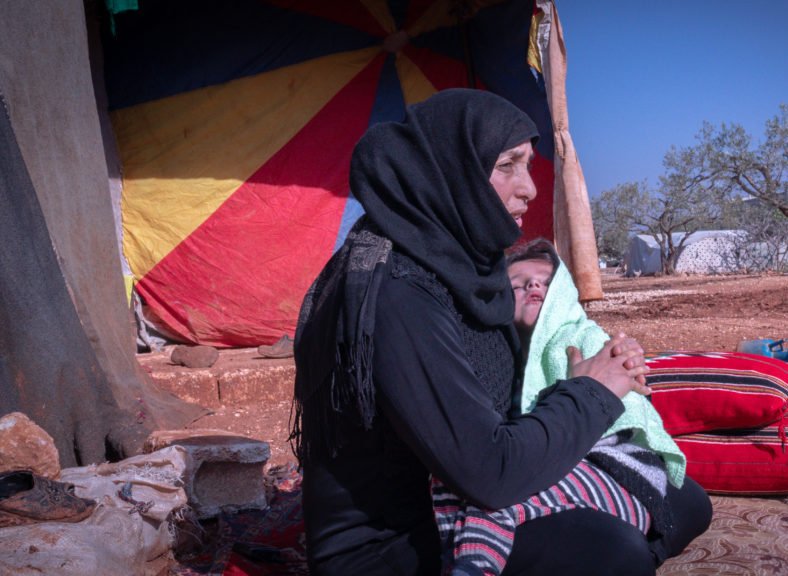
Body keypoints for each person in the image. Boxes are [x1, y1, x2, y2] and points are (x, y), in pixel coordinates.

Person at [291, 88, 708, 576]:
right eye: (508, 165)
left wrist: (572, 373)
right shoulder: (397, 290)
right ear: (451, 170)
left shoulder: (459, 264)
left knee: (683, 500)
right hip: (394, 544)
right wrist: (590, 393)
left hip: (463, 491)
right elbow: (489, 473)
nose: (529, 187)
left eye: (528, 165)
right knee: (614, 552)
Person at [432, 238, 707, 576]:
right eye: (516, 285)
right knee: (618, 549)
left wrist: (624, 371)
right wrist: (578, 389)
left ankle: (634, 540)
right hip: (529, 463)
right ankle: (476, 563)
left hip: (602, 456)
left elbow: (632, 406)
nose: (533, 285)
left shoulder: (580, 339)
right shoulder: (485, 351)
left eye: (546, 282)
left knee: (693, 502)